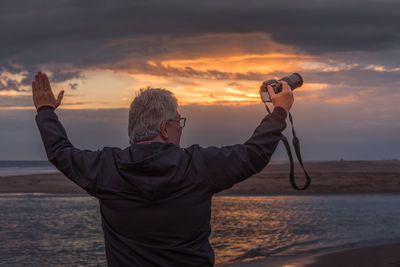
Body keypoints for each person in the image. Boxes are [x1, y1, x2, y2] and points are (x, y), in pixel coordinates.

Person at [32, 71, 293, 266]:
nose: (181, 126)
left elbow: (60, 152)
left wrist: (45, 111)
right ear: (165, 128)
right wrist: (279, 110)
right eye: (179, 120)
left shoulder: (107, 169)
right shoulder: (198, 167)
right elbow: (253, 154)